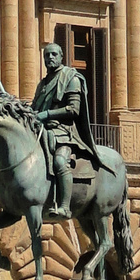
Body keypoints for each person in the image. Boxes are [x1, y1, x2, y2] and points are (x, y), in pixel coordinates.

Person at [31, 41, 102, 221]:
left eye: (54, 54)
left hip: (64, 133)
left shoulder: (71, 78)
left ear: (61, 56)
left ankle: (64, 206)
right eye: (47, 55)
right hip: (42, 130)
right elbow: (35, 108)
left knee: (60, 162)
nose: (50, 58)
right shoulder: (43, 84)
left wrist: (46, 114)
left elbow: (73, 110)